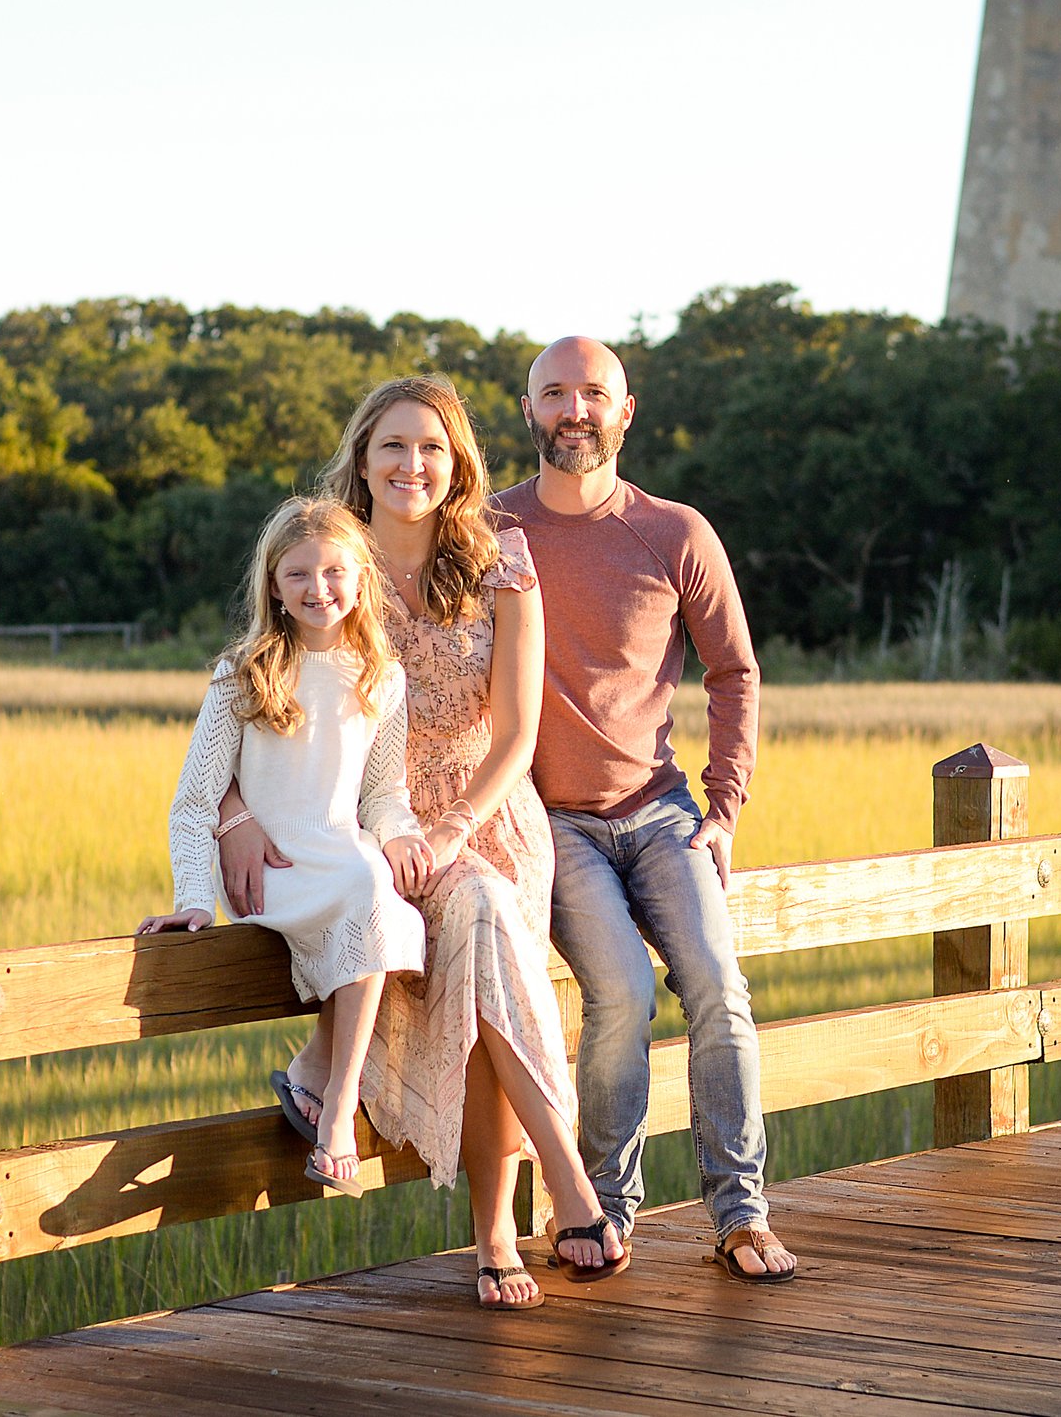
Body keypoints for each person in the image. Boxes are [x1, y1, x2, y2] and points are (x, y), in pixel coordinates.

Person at [214, 376, 623, 1306]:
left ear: (459, 463)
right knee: (473, 924)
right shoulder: (326, 561)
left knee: (481, 930)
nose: (412, 465)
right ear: (361, 459)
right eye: (392, 446)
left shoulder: (501, 563)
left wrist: (453, 827)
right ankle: (564, 1190)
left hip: (484, 811)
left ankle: (495, 1240)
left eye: (432, 447)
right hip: (368, 822)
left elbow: (517, 731)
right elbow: (255, 694)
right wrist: (232, 812)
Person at [490, 335, 799, 1284]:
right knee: (620, 991)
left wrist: (725, 805)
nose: (573, 410)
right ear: (530, 411)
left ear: (626, 412)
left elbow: (734, 672)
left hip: (662, 812)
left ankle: (741, 1214)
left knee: (718, 988)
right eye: (555, 394)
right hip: (555, 824)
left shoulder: (674, 533)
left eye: (593, 393)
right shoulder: (490, 531)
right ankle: (604, 1211)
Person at [137, 494, 426, 1198]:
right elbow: (195, 798)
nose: (317, 589)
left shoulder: (381, 678)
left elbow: (383, 793)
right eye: (297, 575)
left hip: (343, 852)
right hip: (278, 872)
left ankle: (321, 1083)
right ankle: (337, 1116)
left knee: (381, 897)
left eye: (333, 572)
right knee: (368, 897)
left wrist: (403, 837)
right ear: (272, 584)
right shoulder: (246, 671)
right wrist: (193, 899)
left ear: (361, 580)